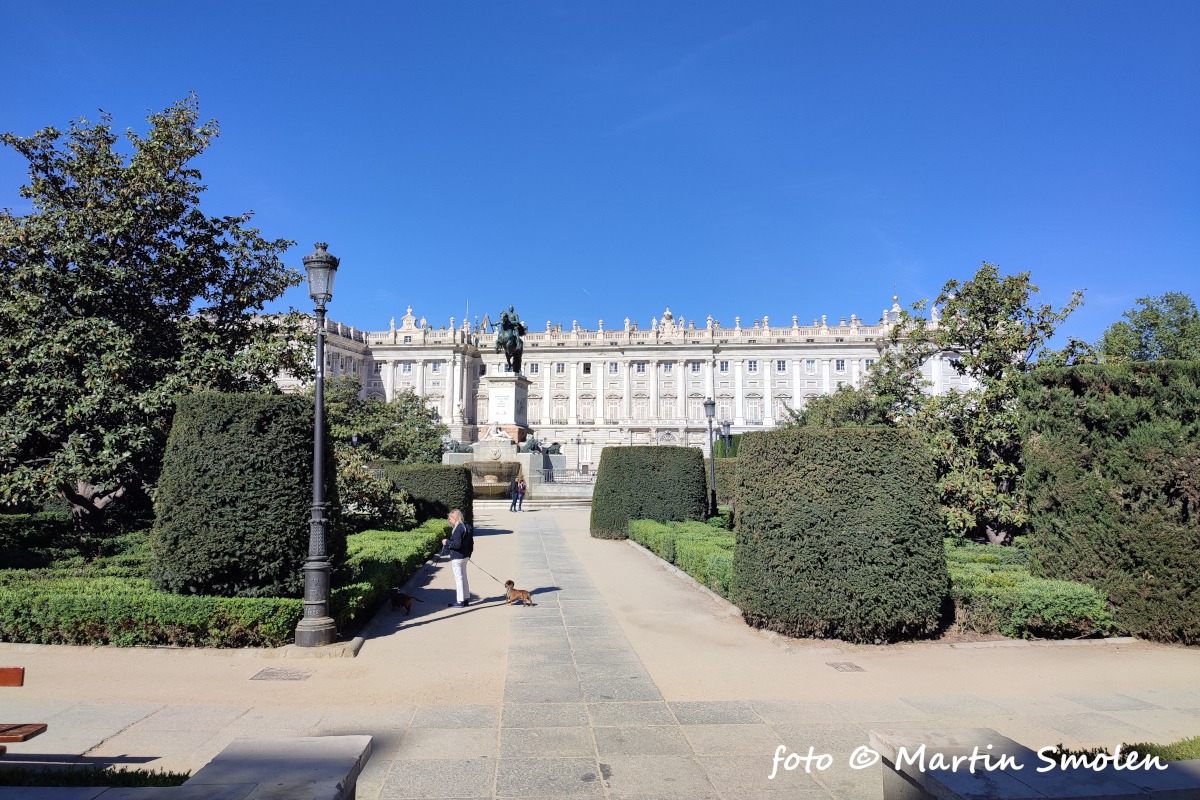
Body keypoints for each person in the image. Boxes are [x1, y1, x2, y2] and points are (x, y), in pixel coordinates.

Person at [442, 509, 473, 607]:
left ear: (455, 518)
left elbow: (456, 544)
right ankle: (465, 599)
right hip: (465, 556)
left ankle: (459, 601)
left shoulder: (458, 529)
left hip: (457, 557)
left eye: (450, 519)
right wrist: (469, 554)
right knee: (464, 577)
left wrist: (447, 542)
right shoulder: (467, 527)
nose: (449, 521)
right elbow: (471, 543)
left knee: (458, 579)